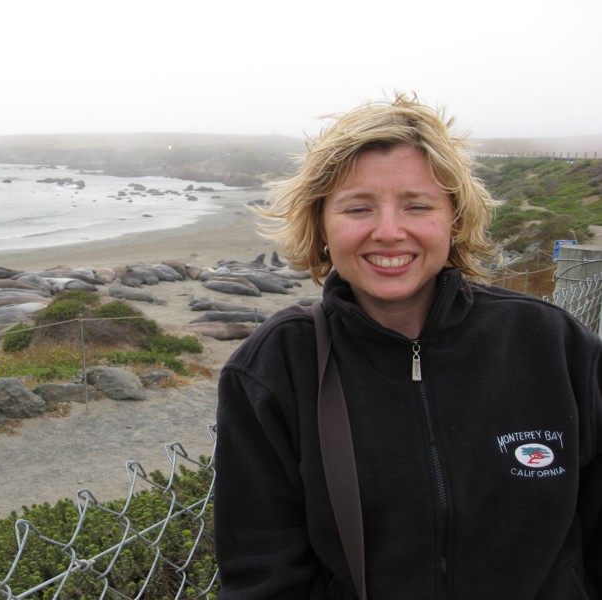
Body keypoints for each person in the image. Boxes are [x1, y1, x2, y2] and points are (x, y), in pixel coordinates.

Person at [214, 94, 602, 599]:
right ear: (322, 226)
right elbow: (263, 575)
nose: (390, 232)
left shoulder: (553, 344)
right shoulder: (275, 366)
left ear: (455, 220)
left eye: (418, 206)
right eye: (358, 208)